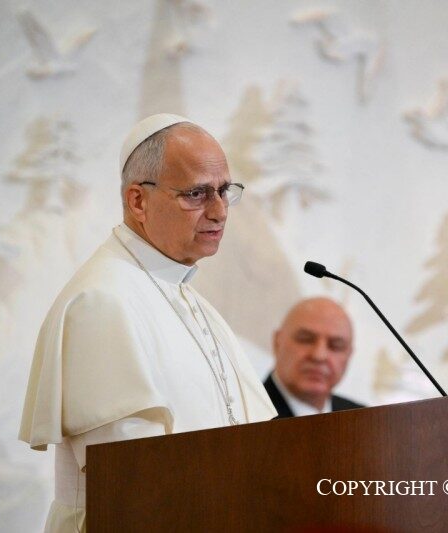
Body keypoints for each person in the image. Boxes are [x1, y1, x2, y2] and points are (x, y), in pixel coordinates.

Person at [18, 114, 276, 532]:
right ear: (138, 201)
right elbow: (134, 488)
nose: (219, 211)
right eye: (197, 193)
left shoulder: (182, 294)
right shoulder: (102, 302)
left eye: (225, 191)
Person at [264, 297, 364, 418]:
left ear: (349, 355)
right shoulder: (243, 416)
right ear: (277, 342)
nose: (319, 356)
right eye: (306, 340)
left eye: (335, 346)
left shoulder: (365, 419)